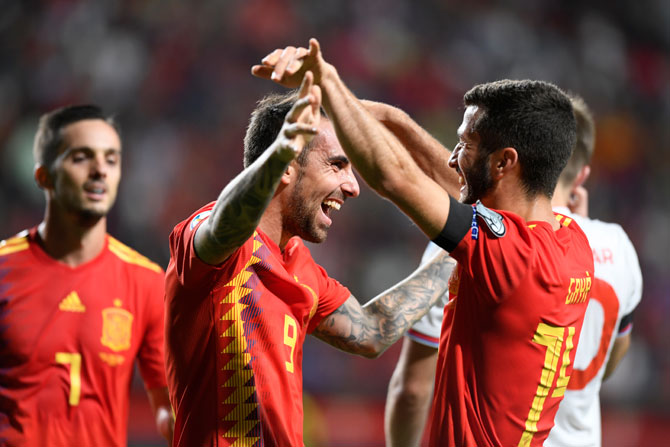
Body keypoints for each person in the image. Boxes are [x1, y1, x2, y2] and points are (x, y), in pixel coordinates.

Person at [253, 39, 595, 446]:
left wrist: (328, 81)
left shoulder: (507, 254)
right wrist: (394, 120)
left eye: (465, 145)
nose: (452, 158)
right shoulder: (572, 242)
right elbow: (466, 189)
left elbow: (395, 178)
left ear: (504, 162)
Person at [164, 73, 455, 446]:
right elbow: (225, 225)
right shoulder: (212, 240)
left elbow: (371, 331)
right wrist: (278, 152)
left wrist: (456, 248)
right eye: (337, 165)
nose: (353, 186)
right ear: (284, 166)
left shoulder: (300, 265)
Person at [383, 95, 644, 447]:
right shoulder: (615, 247)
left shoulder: (467, 246)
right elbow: (615, 352)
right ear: (580, 174)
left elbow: (413, 388)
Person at [0, 105, 173, 446]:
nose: (99, 171)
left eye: (111, 160)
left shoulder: (145, 281)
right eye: (81, 158)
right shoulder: (4, 269)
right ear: (44, 177)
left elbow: (168, 408)